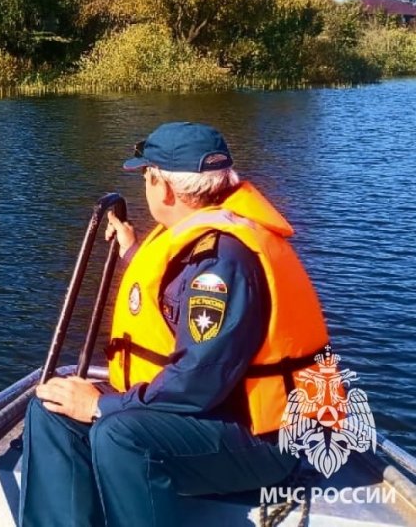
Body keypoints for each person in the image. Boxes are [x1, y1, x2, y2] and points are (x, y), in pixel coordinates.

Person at [18, 121, 330, 526]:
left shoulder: (221, 263)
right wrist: (132, 252)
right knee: (52, 410)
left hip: (268, 442)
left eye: (146, 176)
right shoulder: (198, 245)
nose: (145, 186)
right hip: (212, 417)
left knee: (121, 435)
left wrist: (100, 404)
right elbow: (177, 301)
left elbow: (198, 381)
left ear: (163, 187)